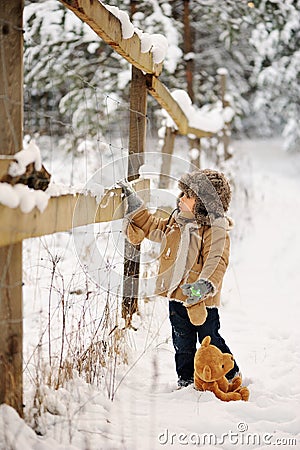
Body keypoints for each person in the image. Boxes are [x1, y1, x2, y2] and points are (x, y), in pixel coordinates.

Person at [120, 169, 239, 388]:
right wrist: (135, 205)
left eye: (187, 196)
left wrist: (204, 286)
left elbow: (217, 259)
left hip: (203, 300)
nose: (180, 199)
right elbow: (153, 226)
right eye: (182, 193)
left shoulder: (214, 229)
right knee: (182, 341)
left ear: (203, 203)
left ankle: (230, 373)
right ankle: (187, 380)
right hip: (177, 297)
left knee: (210, 339)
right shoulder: (177, 220)